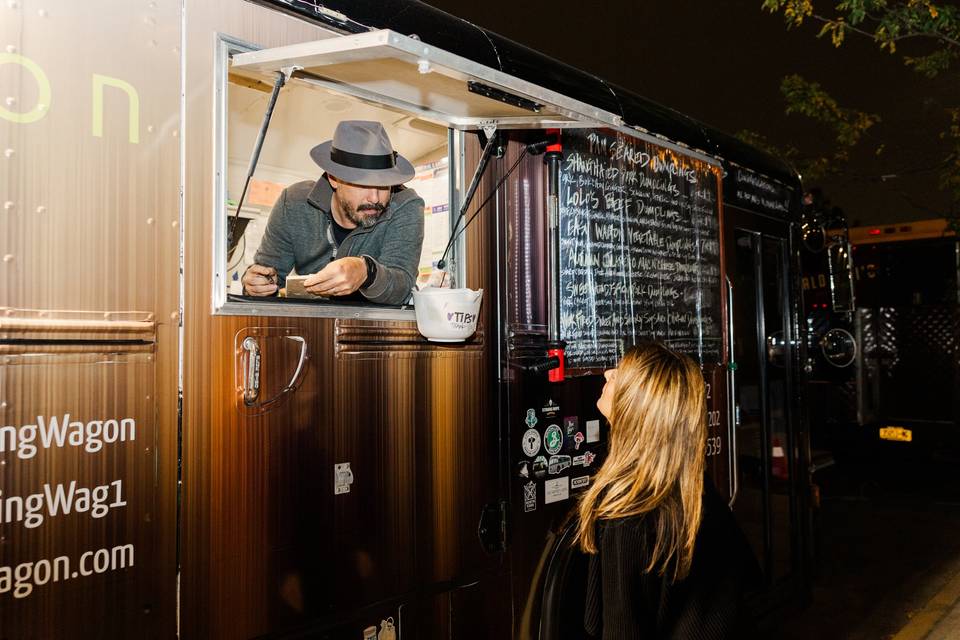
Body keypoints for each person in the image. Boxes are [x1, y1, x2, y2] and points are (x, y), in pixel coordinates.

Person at [576, 342, 761, 639]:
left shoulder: (628, 513)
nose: (608, 373)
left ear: (636, 404)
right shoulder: (693, 487)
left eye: (619, 374)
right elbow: (747, 581)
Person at [241, 120, 424, 305]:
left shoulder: (405, 205)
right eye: (363, 185)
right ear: (333, 178)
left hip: (375, 328)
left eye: (384, 186)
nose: (375, 198)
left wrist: (366, 272)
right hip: (310, 326)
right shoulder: (293, 203)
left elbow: (401, 286)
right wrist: (255, 284)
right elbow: (268, 273)